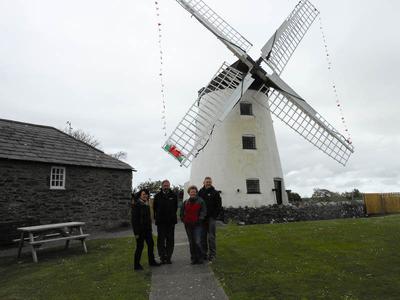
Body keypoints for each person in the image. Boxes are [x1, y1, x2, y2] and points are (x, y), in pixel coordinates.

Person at [131, 189, 161, 270]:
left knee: (151, 245)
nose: (145, 196)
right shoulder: (136, 205)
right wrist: (136, 233)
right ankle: (136, 265)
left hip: (147, 230)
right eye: (143, 194)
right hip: (140, 231)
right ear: (140, 195)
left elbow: (148, 219)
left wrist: (150, 229)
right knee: (140, 247)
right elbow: (134, 220)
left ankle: (152, 262)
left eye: (146, 194)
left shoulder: (146, 204)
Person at [153, 179, 178, 264]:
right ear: (162, 186)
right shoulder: (157, 196)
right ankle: (162, 257)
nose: (166, 187)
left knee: (170, 240)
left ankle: (168, 257)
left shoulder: (174, 196)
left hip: (171, 222)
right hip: (161, 222)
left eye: (167, 185)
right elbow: (155, 208)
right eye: (164, 185)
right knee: (161, 240)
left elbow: (175, 207)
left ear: (169, 186)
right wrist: (157, 218)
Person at [180, 185, 207, 264]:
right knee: (191, 242)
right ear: (189, 193)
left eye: (194, 192)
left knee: (198, 241)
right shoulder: (186, 202)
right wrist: (183, 219)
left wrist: (200, 219)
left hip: (197, 225)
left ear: (196, 192)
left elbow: (203, 211)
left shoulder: (201, 201)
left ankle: (200, 257)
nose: (193, 193)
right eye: (191, 192)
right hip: (188, 225)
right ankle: (193, 258)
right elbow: (182, 212)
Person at [199, 176, 222, 262]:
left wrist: (214, 215)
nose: (208, 183)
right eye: (206, 182)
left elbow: (218, 205)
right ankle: (204, 254)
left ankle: (212, 254)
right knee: (203, 237)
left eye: (209, 182)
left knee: (211, 237)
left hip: (211, 218)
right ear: (203, 182)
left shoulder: (215, 192)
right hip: (202, 218)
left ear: (211, 183)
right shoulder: (200, 192)